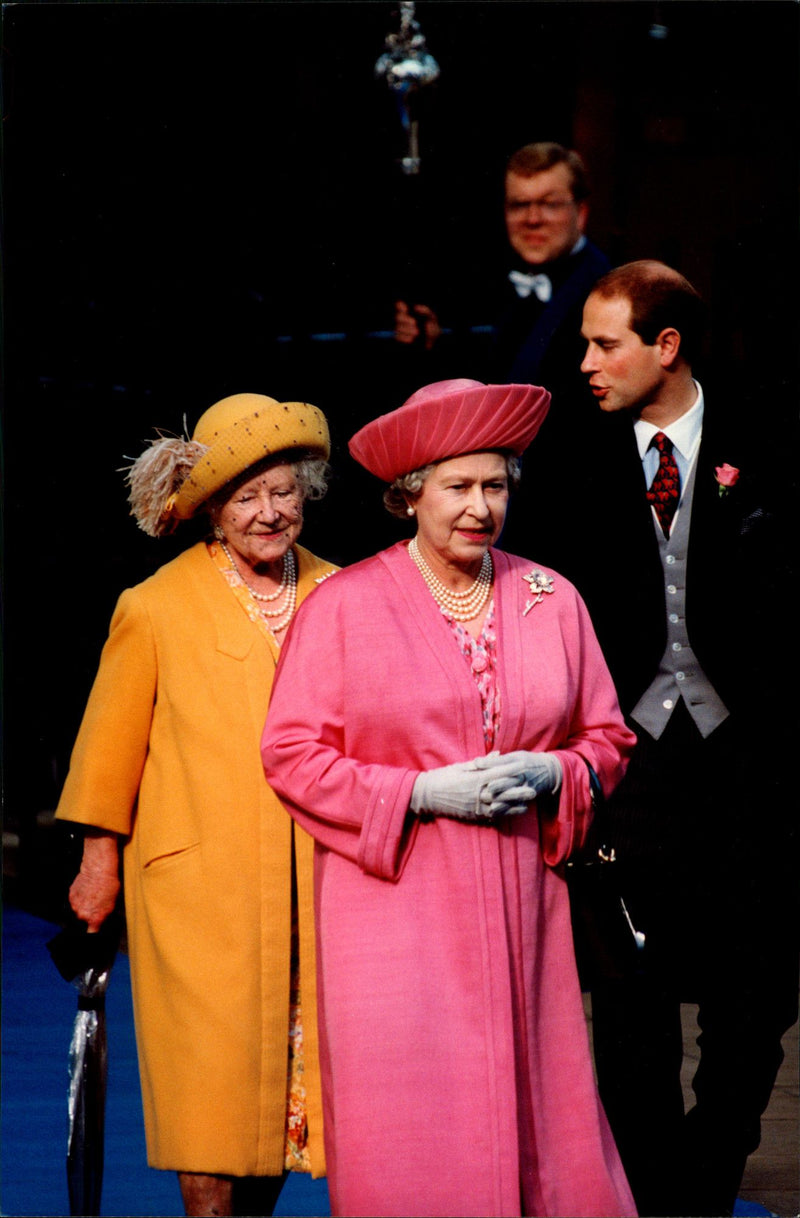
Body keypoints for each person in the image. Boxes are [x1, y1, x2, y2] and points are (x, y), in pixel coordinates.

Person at [260, 378, 637, 1218]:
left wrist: (556, 774)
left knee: (545, 1132)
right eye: (458, 486)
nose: (480, 507)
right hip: (393, 917)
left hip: (525, 913)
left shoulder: (553, 599)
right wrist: (418, 790)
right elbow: (289, 755)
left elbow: (607, 740)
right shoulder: (344, 607)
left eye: (495, 485)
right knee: (416, 1133)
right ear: (409, 496)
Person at [54, 392, 337, 1217]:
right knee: (209, 1099)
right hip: (199, 892)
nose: (268, 511)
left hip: (320, 887)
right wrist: (97, 864)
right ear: (211, 508)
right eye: (245, 496)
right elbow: (108, 753)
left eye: (283, 490)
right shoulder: (155, 605)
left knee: (293, 1102)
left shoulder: (344, 591)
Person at [571, 261, 800, 1217]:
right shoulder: (574, 464)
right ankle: (659, 1195)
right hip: (630, 771)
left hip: (750, 773)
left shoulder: (773, 442)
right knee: (629, 1007)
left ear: (666, 347)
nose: (585, 362)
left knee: (753, 1004)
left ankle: (706, 1178)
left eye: (605, 343)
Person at [393, 141, 611, 563]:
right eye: (519, 205)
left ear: (580, 212)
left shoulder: (606, 289)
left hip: (574, 520)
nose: (532, 219)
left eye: (549, 204)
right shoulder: (493, 282)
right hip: (502, 511)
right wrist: (435, 344)